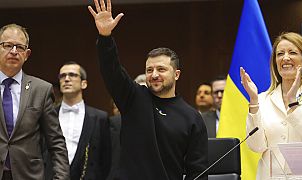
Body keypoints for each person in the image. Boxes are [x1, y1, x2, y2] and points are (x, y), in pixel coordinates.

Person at [88, 0, 208, 179]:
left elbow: (197, 172)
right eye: (149, 70)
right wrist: (105, 38)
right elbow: (112, 71)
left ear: (176, 74)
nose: (154, 75)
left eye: (161, 69)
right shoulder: (134, 98)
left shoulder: (192, 117)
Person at [240, 32, 302, 179]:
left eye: (292, 52)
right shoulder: (262, 99)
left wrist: (293, 104)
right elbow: (256, 146)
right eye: (280, 54)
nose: (285, 58)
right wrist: (253, 101)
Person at [0, 23, 69, 179]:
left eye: (20, 47)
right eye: (8, 45)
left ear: (27, 54)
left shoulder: (41, 90)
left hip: (28, 175)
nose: (14, 51)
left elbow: (56, 142)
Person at [51, 61, 111, 180]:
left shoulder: (100, 118)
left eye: (72, 75)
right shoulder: (49, 115)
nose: (66, 79)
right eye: (62, 76)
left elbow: (106, 159)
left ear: (84, 83)